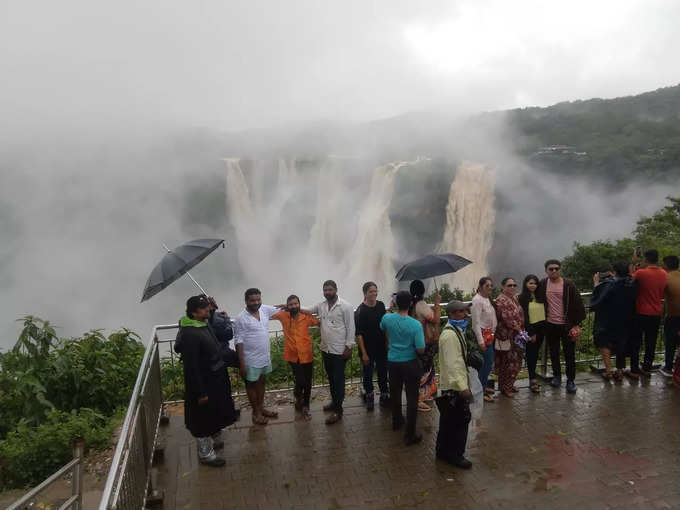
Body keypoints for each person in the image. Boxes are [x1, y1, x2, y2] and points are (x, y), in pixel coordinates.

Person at [174, 295, 237, 467]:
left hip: (214, 378)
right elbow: (191, 367)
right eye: (204, 308)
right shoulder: (190, 334)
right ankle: (205, 454)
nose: (207, 310)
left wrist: (218, 312)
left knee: (212, 414)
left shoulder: (203, 323)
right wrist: (200, 392)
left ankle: (210, 444)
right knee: (201, 419)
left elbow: (220, 332)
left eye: (207, 307)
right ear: (194, 313)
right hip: (203, 382)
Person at [380, 290, 426, 445]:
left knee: (395, 392)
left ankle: (397, 421)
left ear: (395, 303)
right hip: (410, 363)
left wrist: (390, 310)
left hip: (393, 362)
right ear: (411, 304)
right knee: (412, 398)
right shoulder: (415, 324)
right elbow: (421, 349)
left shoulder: (387, 318)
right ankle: (410, 434)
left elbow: (382, 328)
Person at [308, 280, 355, 425]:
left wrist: (348, 347)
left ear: (336, 289)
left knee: (338, 381)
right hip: (326, 349)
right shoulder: (321, 306)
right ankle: (334, 403)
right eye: (325, 290)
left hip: (340, 351)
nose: (327, 292)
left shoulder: (346, 306)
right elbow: (307, 310)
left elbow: (351, 328)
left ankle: (338, 411)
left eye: (329, 290)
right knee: (331, 379)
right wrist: (290, 307)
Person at [436, 300, 477, 469]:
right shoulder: (450, 335)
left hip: (452, 384)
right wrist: (463, 388)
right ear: (451, 315)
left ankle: (442, 451)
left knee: (448, 420)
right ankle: (455, 455)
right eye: (460, 312)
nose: (465, 315)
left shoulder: (455, 331)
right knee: (460, 420)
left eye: (465, 311)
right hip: (455, 386)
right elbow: (453, 365)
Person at [536, 259, 586, 394]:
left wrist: (577, 325)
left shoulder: (568, 285)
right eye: (551, 269)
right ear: (546, 270)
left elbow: (578, 304)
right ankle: (557, 376)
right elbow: (534, 298)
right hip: (550, 324)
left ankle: (571, 381)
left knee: (569, 354)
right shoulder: (543, 284)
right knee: (554, 352)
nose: (554, 271)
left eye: (556, 268)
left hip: (567, 325)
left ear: (560, 269)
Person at [233, 288, 282, 425]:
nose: (256, 302)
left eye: (258, 299)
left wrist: (291, 305)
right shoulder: (241, 318)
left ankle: (261, 408)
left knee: (262, 383)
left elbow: (281, 309)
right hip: (250, 360)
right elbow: (238, 341)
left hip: (264, 357)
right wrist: (242, 363)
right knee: (251, 385)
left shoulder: (264, 310)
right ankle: (256, 413)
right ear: (246, 301)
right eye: (252, 300)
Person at [271, 295, 319, 420]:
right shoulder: (283, 316)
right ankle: (298, 395)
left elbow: (319, 322)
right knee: (301, 380)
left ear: (299, 304)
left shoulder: (306, 317)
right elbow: (268, 314)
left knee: (307, 382)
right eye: (291, 304)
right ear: (288, 305)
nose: (293, 306)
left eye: (295, 304)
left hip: (306, 353)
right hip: (292, 355)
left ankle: (306, 406)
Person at [589, 262, 637, 381]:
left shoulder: (608, 284)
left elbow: (598, 297)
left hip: (607, 319)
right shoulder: (631, 282)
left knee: (605, 343)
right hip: (625, 318)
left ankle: (608, 371)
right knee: (621, 343)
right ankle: (619, 371)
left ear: (614, 272)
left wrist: (596, 283)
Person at [630, 249, 668, 376]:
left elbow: (630, 280)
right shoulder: (664, 273)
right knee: (651, 342)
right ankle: (647, 368)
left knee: (636, 341)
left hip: (641, 312)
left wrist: (634, 263)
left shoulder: (641, 273)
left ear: (645, 259)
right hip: (657, 313)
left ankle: (634, 370)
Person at [355, 281, 389, 411]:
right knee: (368, 373)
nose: (374, 294)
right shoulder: (360, 311)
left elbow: (384, 326)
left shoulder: (381, 306)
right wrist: (363, 353)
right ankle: (369, 396)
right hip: (367, 349)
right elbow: (358, 334)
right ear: (365, 293)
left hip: (381, 346)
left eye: (375, 291)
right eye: (371, 291)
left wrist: (387, 342)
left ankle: (384, 395)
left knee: (382, 372)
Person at [409, 279, 440, 412]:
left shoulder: (411, 304)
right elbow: (436, 319)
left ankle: (424, 395)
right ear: (422, 291)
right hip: (425, 341)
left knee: (425, 368)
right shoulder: (421, 304)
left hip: (416, 341)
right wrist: (437, 302)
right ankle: (417, 400)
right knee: (423, 370)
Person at [494, 278, 525, 398]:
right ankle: (505, 388)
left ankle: (509, 385)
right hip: (508, 336)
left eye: (514, 285)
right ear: (502, 287)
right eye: (509, 285)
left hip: (516, 336)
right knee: (508, 363)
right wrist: (520, 330)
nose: (512, 287)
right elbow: (508, 319)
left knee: (515, 361)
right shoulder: (501, 300)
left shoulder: (513, 297)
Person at [471, 277, 498, 401]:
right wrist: (480, 341)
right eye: (487, 286)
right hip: (483, 337)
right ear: (481, 287)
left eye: (491, 285)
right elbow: (475, 323)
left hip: (489, 336)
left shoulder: (487, 299)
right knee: (485, 364)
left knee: (487, 364)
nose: (490, 288)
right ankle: (479, 392)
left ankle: (482, 386)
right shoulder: (477, 301)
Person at [518, 275, 546, 393]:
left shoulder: (540, 296)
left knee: (535, 354)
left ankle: (533, 377)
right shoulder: (522, 298)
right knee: (531, 355)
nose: (533, 285)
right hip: (531, 331)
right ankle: (532, 379)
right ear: (525, 284)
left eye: (535, 283)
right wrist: (531, 333)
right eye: (530, 283)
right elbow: (524, 316)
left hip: (542, 329)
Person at [661, 255, 680, 377]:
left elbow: (658, 293)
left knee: (670, 342)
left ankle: (668, 367)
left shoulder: (666, 278)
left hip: (673, 316)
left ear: (666, 265)